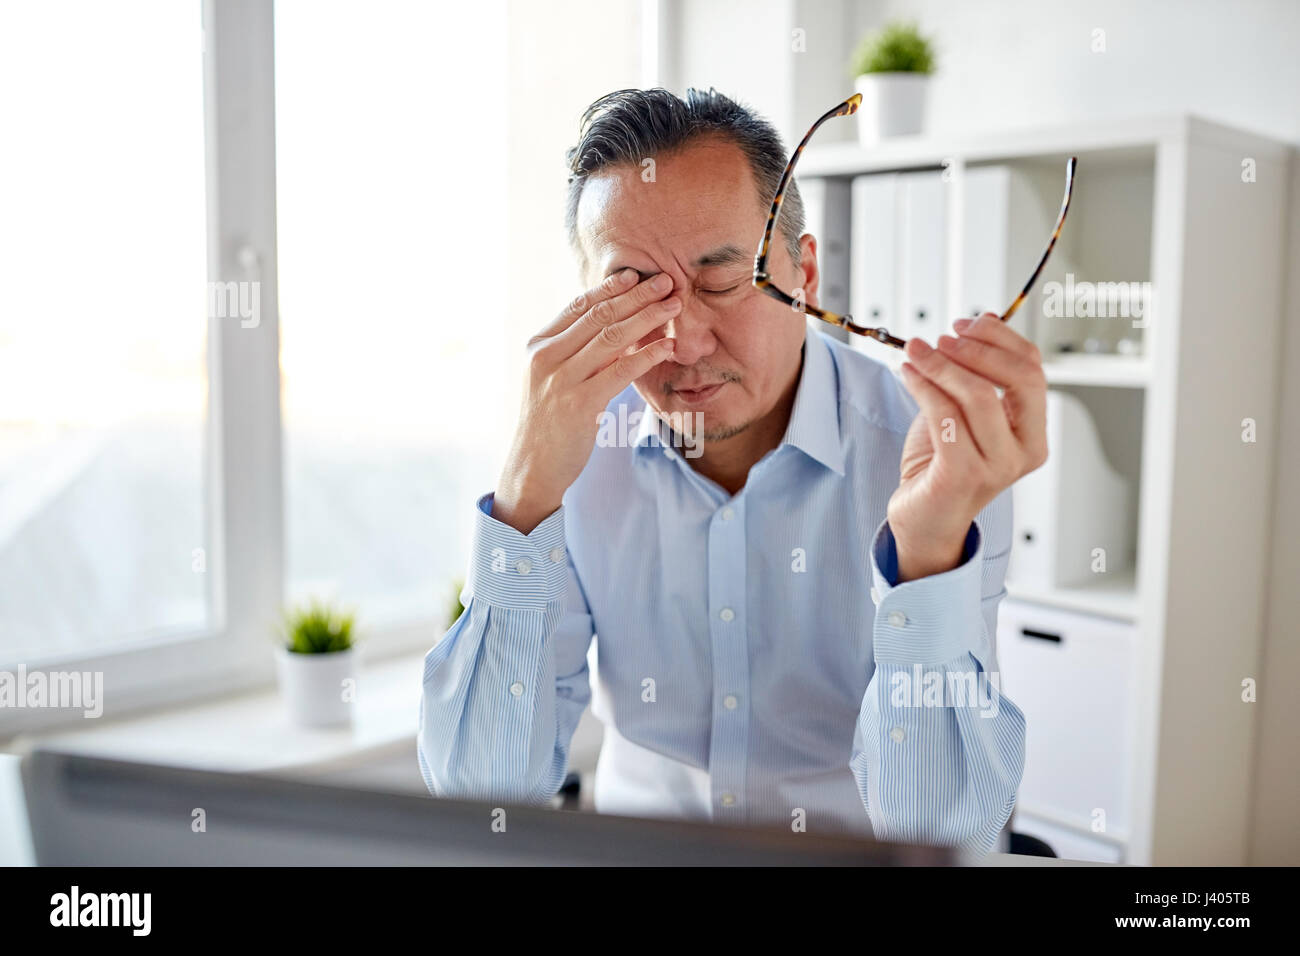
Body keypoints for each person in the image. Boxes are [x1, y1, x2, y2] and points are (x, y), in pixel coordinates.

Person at [418, 87, 1044, 854]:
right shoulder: (570, 454)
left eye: (720, 281)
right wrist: (523, 501)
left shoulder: (934, 460)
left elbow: (942, 828)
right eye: (633, 294)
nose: (681, 341)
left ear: (805, 273)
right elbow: (483, 797)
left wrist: (924, 551)